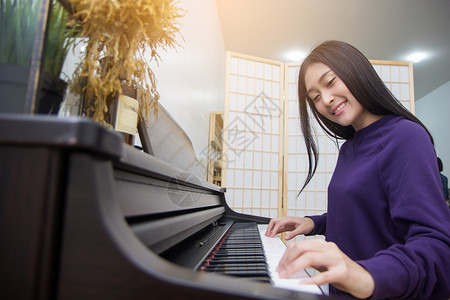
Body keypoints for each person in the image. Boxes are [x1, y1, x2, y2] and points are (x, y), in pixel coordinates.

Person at [265, 40, 450, 299]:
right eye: (315, 97)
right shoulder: (349, 147)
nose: (326, 100)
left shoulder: (406, 136)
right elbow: (366, 214)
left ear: (356, 72)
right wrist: (313, 223)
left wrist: (363, 274)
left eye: (330, 82)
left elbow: (436, 246)